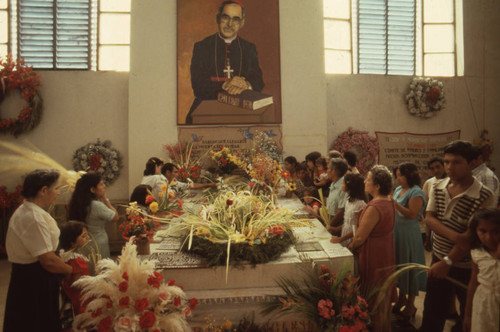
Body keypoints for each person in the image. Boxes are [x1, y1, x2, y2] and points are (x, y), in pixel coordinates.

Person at [420, 140, 497, 332]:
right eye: (446, 162)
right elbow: (429, 219)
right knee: (432, 309)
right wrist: (455, 237)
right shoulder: (438, 186)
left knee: (467, 311)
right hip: (438, 257)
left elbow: (472, 237)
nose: (449, 167)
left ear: (471, 164)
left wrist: (448, 261)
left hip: (464, 263)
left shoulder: (484, 195)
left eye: (456, 162)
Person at [4, 169, 73, 332]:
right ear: (43, 190)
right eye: (56, 188)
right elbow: (47, 260)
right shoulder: (32, 216)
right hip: (34, 279)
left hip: (32, 276)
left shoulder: (31, 210)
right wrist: (69, 270)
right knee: (36, 322)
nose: (57, 193)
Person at [186, 0, 264, 123]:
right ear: (218, 18)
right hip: (208, 106)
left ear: (242, 23)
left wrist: (246, 85)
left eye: (236, 19)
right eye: (225, 17)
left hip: (241, 107)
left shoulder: (249, 48)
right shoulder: (202, 46)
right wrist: (225, 85)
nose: (230, 24)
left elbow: (258, 80)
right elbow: (198, 85)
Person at [348, 165, 397, 331]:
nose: (364, 181)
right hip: (386, 250)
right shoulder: (389, 201)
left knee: (374, 293)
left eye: (368, 179)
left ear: (377, 186)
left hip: (374, 253)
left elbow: (361, 237)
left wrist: (351, 247)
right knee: (383, 294)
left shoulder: (374, 206)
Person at [392, 162, 427, 319]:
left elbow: (412, 214)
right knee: (399, 264)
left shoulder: (416, 192)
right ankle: (401, 298)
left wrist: (394, 205)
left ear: (410, 175)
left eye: (401, 175)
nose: (398, 178)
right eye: (397, 175)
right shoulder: (399, 189)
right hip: (397, 232)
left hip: (409, 234)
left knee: (409, 265)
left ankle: (411, 304)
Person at [463, 208, 500, 332]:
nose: (489, 237)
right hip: (484, 304)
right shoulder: (477, 253)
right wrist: (468, 315)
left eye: (496, 232)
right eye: (482, 231)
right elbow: (473, 283)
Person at [68, 172, 119, 259]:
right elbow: (115, 217)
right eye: (101, 184)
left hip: (82, 243)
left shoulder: (77, 203)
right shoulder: (96, 205)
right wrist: (106, 201)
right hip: (97, 243)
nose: (104, 187)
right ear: (92, 189)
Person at [59, 220, 91, 316]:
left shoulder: (70, 255)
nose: (88, 238)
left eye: (87, 235)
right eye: (83, 236)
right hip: (79, 296)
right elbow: (77, 283)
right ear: (72, 242)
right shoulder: (75, 260)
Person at [330, 173, 366, 247]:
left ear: (350, 186)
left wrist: (341, 239)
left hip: (353, 238)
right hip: (345, 235)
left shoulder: (360, 204)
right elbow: (347, 223)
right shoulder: (348, 201)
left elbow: (357, 228)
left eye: (343, 182)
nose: (341, 184)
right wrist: (335, 229)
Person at [326, 158, 349, 236]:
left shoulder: (343, 186)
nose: (327, 171)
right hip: (330, 221)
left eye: (328, 168)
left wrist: (329, 225)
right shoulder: (333, 184)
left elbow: (341, 211)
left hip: (337, 226)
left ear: (334, 171)